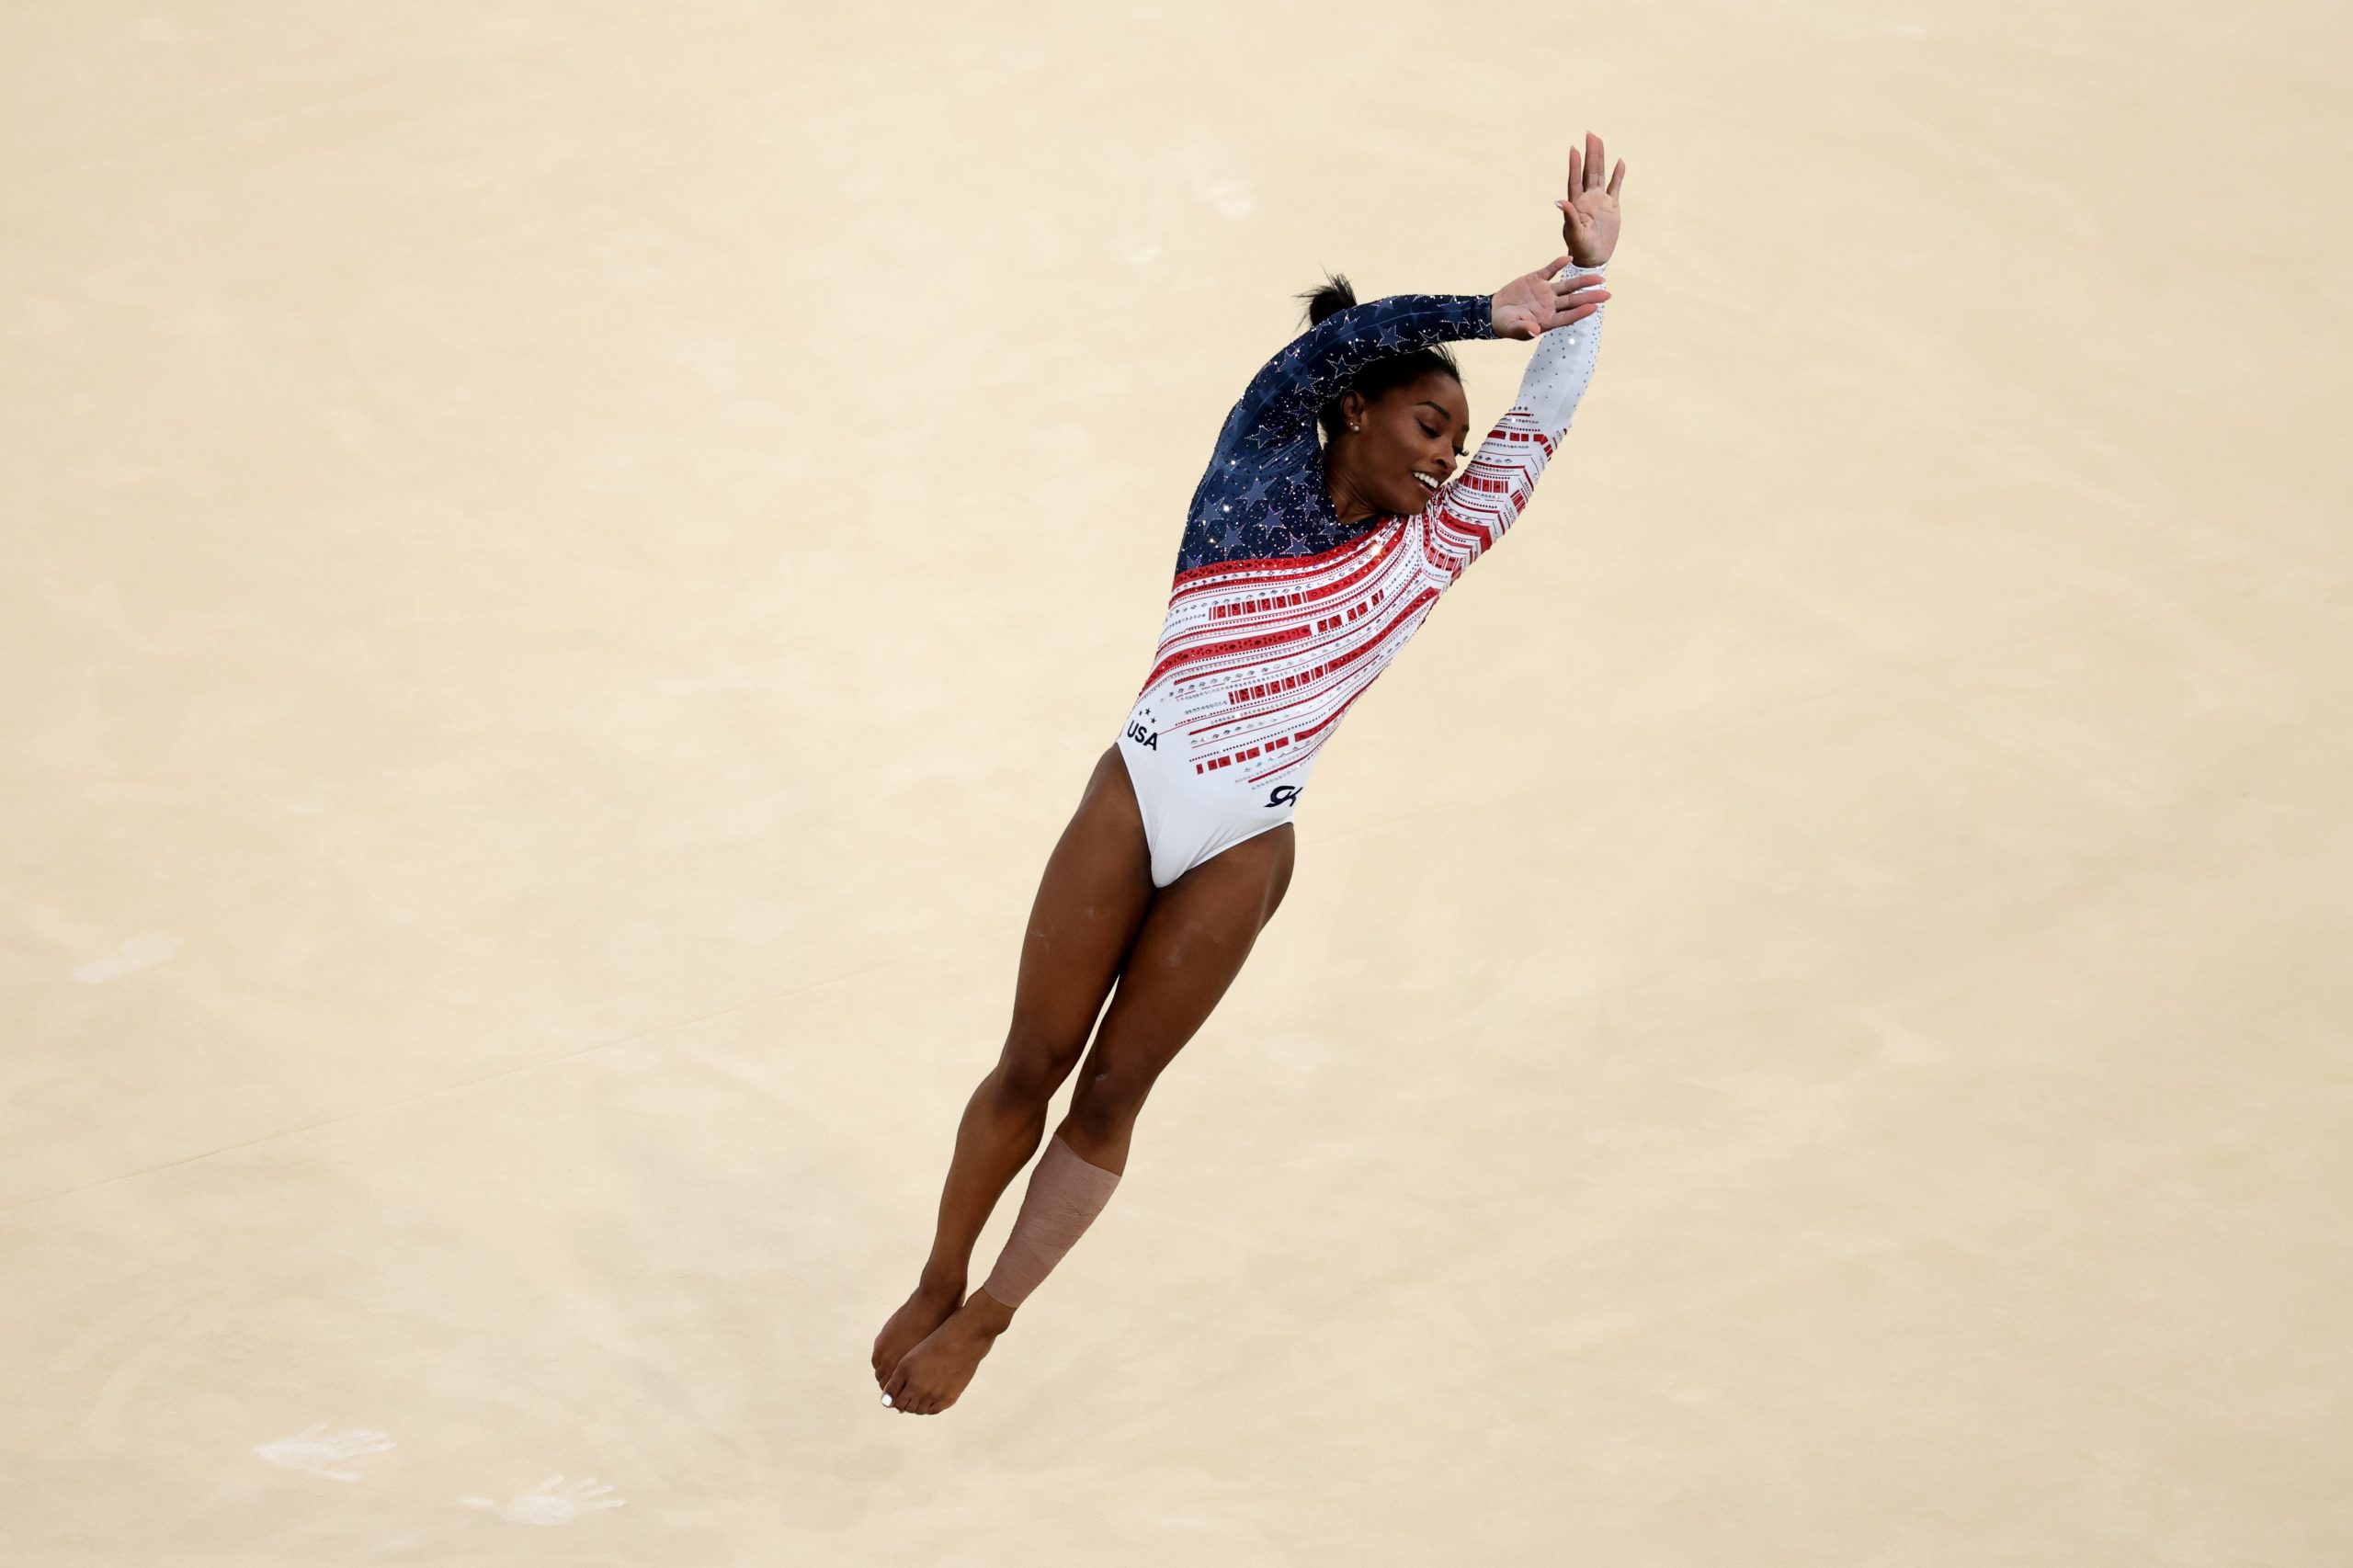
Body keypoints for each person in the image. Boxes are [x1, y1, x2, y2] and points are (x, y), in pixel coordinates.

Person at [874, 133, 1629, 1415]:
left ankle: (992, 1318)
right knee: (1031, 1061)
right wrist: (1478, 314)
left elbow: (1545, 416)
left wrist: (1587, 283)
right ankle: (938, 1272)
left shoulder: (1437, 546)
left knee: (1113, 1092)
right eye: (1427, 422)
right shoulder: (1256, 470)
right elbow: (1308, 354)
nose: (1450, 453)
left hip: (1244, 839)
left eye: (1457, 436)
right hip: (1140, 788)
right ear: (1356, 411)